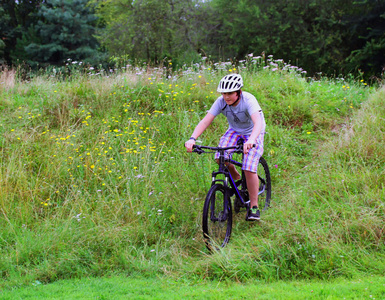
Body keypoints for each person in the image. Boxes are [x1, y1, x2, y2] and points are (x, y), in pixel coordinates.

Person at [185, 73, 266, 221]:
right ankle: (236, 176)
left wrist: (252, 140)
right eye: (223, 93)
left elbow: (258, 123)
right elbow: (206, 121)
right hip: (234, 131)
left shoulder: (249, 100)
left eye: (230, 93)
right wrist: (192, 138)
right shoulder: (221, 102)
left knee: (248, 166)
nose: (226, 97)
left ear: (238, 92)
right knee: (220, 157)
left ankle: (254, 206)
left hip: (254, 131)